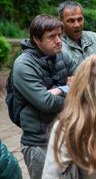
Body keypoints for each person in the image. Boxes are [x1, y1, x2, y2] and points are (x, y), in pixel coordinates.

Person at [12, 15, 77, 179]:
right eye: (51, 36)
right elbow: (46, 102)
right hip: (39, 144)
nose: (58, 40)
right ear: (36, 39)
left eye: (59, 35)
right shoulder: (23, 65)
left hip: (67, 138)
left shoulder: (62, 56)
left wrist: (59, 90)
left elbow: (86, 83)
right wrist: (69, 89)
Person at [58, 0, 96, 66]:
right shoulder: (58, 45)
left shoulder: (94, 37)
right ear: (61, 21)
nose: (77, 25)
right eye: (71, 21)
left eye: (80, 19)